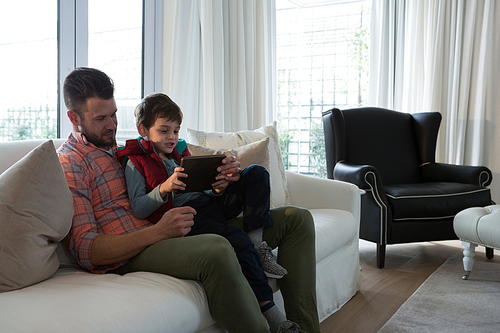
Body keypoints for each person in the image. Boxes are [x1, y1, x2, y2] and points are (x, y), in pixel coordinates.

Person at [57, 67, 320, 333]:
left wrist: (219, 183)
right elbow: (85, 249)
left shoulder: (123, 148)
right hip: (136, 249)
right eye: (101, 118)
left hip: (182, 223)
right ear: (73, 117)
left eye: (113, 115)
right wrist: (157, 232)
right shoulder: (71, 162)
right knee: (216, 248)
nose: (112, 125)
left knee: (296, 220)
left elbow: (181, 180)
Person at [115, 92, 290, 330]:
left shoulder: (181, 153)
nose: (172, 137)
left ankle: (258, 245)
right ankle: (273, 316)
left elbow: (203, 190)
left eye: (176, 131)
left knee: (257, 172)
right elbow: (138, 208)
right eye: (164, 130)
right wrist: (164, 188)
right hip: (189, 216)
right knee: (235, 239)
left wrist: (219, 186)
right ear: (143, 129)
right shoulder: (134, 162)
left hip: (211, 204)